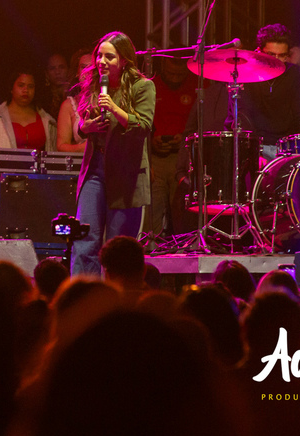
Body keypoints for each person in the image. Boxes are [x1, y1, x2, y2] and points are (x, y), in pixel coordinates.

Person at [71, 31, 155, 276]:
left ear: (124, 60)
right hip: (95, 169)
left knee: (118, 247)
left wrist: (115, 108)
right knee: (85, 238)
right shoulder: (95, 85)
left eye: (109, 57)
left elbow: (144, 126)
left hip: (125, 173)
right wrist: (85, 127)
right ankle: (84, 292)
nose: (101, 61)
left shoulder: (143, 86)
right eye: (99, 56)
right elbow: (83, 124)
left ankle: (117, 294)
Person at [145, 56, 196, 242]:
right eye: (170, 73)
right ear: (163, 66)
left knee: (181, 210)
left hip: (182, 158)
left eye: (179, 75)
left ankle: (183, 247)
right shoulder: (151, 86)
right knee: (154, 210)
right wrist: (152, 141)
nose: (174, 78)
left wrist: (184, 138)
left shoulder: (197, 86)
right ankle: (152, 248)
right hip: (156, 158)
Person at [239, 23, 300, 160]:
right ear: (259, 51)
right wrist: (254, 153)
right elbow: (242, 117)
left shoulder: (294, 74)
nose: (276, 60)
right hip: (255, 146)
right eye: (271, 54)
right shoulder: (246, 74)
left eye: (282, 56)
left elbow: (299, 117)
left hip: (286, 148)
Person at [0, 70, 57, 151]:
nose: (26, 90)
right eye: (21, 85)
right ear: (11, 88)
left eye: (30, 86)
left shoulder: (47, 120)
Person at [55, 48, 95, 153]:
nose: (87, 71)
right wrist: (85, 148)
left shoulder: (110, 98)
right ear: (77, 72)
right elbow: (61, 146)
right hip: (81, 161)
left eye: (91, 67)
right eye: (83, 67)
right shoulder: (69, 105)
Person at [40, 52, 70, 120]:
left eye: (61, 67)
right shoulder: (42, 101)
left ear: (68, 69)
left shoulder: (76, 96)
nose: (57, 72)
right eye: (52, 68)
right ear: (46, 73)